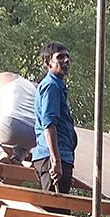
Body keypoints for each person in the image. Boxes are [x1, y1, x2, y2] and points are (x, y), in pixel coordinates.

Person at [32, 42, 77, 196]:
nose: (66, 60)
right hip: (50, 157)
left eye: (67, 57)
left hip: (60, 156)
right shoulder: (51, 86)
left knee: (61, 212)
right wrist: (56, 161)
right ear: (47, 63)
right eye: (60, 57)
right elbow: (48, 125)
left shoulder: (57, 87)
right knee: (54, 212)